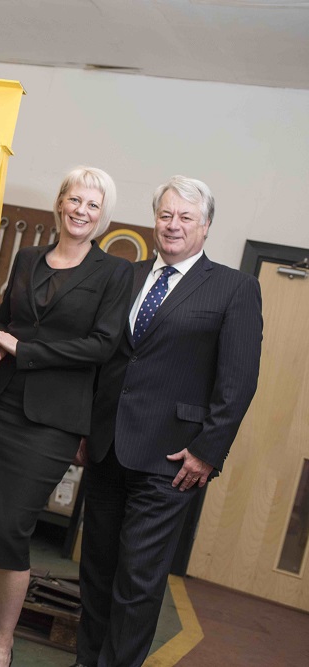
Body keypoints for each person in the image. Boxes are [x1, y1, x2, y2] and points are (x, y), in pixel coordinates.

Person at [73, 176, 263, 667]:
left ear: (205, 227)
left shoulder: (234, 288)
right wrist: (83, 427)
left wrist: (208, 450)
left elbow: (238, 380)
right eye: (165, 215)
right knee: (96, 570)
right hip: (107, 445)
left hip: (172, 458)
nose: (173, 225)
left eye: (185, 217)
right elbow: (104, 360)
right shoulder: (126, 277)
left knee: (138, 579)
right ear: (154, 219)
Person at [0, 167, 134, 667]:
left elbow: (101, 345)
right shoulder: (28, 257)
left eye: (93, 206)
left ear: (103, 217)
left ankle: (4, 644)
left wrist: (24, 348)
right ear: (60, 202)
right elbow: (10, 319)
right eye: (75, 200)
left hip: (52, 422)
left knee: (10, 528)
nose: (82, 211)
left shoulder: (115, 274)